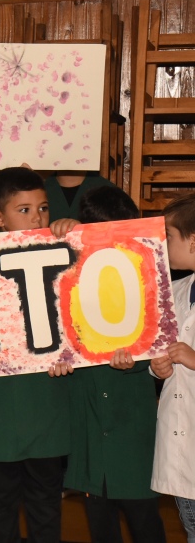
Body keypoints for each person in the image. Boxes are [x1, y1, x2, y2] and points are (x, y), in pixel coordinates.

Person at [0, 167, 78, 543]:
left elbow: (85, 317)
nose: (38, 217)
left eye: (42, 208)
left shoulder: (65, 250)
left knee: (45, 509)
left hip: (45, 405)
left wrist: (80, 236)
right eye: (23, 210)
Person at [63, 186, 166, 543]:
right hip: (89, 411)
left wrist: (141, 363)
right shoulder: (68, 267)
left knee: (142, 514)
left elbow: (156, 338)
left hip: (129, 413)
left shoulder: (142, 270)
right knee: (98, 513)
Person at [151, 192, 195, 542]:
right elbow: (160, 351)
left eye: (168, 236)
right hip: (181, 443)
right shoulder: (173, 291)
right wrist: (159, 367)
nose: (163, 245)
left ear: (193, 241)